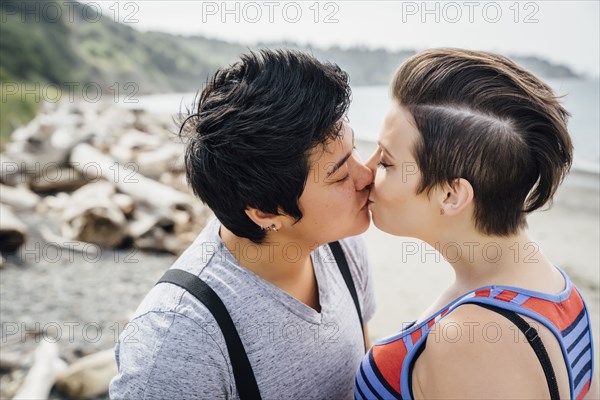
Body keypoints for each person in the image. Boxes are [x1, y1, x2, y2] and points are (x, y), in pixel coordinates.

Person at [109, 49, 376, 399]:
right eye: (341, 175)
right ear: (265, 212)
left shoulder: (340, 244)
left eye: (355, 150)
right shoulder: (178, 342)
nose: (367, 175)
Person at [356, 48, 598, 399]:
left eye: (387, 162)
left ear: (452, 195)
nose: (366, 171)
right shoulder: (563, 293)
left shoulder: (468, 343)